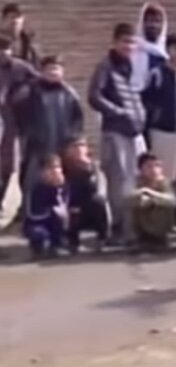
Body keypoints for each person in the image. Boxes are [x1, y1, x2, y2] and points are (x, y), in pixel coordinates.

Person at [88, 23, 148, 243]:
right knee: (119, 182)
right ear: (114, 42)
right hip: (116, 132)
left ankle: (135, 226)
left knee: (136, 179)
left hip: (135, 132)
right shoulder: (106, 66)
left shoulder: (131, 66)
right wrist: (118, 112)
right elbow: (94, 97)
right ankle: (120, 228)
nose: (128, 46)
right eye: (124, 41)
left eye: (132, 42)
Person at [22, 55, 84, 197]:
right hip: (38, 147)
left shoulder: (69, 94)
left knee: (64, 179)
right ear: (42, 71)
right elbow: (24, 117)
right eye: (49, 69)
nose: (53, 72)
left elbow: (78, 119)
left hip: (63, 146)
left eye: (56, 69)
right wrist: (32, 136)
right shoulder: (32, 92)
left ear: (62, 71)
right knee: (33, 180)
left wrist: (73, 139)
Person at [142, 33, 176, 181]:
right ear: (167, 50)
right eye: (175, 48)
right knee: (165, 176)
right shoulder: (157, 74)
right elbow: (146, 101)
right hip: (163, 132)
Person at [0, 35, 37, 214]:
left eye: (6, 49)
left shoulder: (20, 67)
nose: (3, 53)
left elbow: (38, 81)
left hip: (13, 121)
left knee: (9, 164)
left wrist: (22, 93)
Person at [61, 137, 109, 252]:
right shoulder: (61, 168)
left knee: (99, 203)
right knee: (71, 210)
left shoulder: (94, 167)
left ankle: (102, 238)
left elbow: (100, 188)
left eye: (82, 146)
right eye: (74, 146)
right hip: (69, 206)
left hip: (89, 206)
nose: (78, 149)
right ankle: (71, 242)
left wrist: (89, 171)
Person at [128, 152, 176, 251]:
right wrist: (140, 196)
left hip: (161, 225)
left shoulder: (165, 182)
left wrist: (151, 195)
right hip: (142, 225)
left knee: (164, 205)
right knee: (133, 206)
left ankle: (161, 237)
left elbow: (173, 201)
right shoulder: (136, 181)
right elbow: (128, 197)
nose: (154, 170)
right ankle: (136, 237)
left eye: (157, 166)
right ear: (141, 169)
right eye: (149, 166)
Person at [23, 153, 68, 260]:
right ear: (41, 172)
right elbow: (33, 214)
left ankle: (56, 245)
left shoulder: (63, 187)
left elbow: (63, 204)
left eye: (57, 167)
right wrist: (52, 209)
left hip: (56, 221)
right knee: (38, 232)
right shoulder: (36, 189)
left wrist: (58, 188)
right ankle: (38, 249)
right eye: (50, 168)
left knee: (62, 217)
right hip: (37, 222)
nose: (55, 171)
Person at [132, 2, 168, 93]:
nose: (153, 26)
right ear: (142, 23)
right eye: (150, 21)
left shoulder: (167, 53)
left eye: (157, 21)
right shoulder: (131, 50)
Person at [1, 3, 40, 68]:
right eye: (11, 17)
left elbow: (36, 64)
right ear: (4, 19)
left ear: (23, 19)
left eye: (18, 17)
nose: (15, 21)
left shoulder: (29, 41)